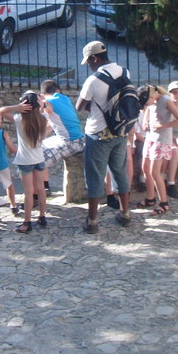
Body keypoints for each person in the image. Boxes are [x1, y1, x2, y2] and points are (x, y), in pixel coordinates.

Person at [76, 41, 133, 234]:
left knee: (95, 176)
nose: (89, 66)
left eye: (89, 62)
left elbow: (79, 107)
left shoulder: (93, 80)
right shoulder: (125, 72)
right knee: (119, 172)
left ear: (94, 58)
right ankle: (125, 214)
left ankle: (92, 221)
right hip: (120, 131)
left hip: (98, 134)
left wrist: (94, 106)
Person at [133, 85, 178, 215]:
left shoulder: (166, 100)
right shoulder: (152, 101)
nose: (146, 106)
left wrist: (162, 125)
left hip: (162, 140)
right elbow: (148, 109)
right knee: (145, 168)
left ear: (151, 96)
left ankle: (164, 203)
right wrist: (145, 121)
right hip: (151, 138)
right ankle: (150, 198)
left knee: (154, 172)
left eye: (146, 103)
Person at [13, 90, 50, 234]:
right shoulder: (43, 118)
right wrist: (42, 106)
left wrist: (17, 108)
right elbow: (48, 111)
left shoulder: (19, 119)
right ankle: (42, 216)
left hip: (25, 160)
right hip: (39, 159)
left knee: (28, 192)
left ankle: (27, 222)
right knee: (41, 189)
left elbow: (0, 111)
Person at [39, 79, 85, 192]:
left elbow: (48, 111)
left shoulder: (48, 102)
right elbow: (53, 124)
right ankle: (45, 186)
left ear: (42, 94)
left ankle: (42, 190)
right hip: (78, 138)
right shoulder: (64, 98)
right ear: (58, 90)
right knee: (39, 147)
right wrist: (39, 138)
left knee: (38, 161)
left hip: (70, 141)